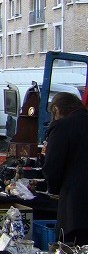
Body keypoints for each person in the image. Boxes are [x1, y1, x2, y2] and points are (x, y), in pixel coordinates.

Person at [42, 91, 88, 245]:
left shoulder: (62, 127)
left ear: (56, 110)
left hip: (74, 208)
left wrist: (53, 189)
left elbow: (52, 168)